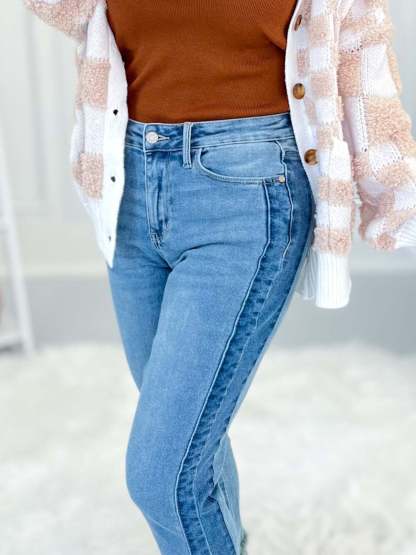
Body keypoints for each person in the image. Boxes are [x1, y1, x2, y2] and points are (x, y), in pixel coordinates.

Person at [24, 0, 416, 553]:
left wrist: (395, 202)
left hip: (249, 192)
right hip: (126, 186)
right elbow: (66, 10)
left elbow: (361, 56)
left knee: (162, 475)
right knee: (191, 446)